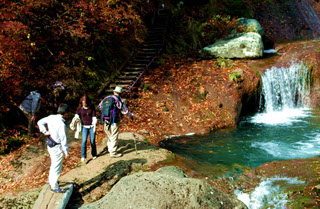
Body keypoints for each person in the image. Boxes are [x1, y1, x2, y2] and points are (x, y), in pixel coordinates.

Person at [37, 103, 69, 193]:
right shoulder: (61, 124)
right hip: (57, 146)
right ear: (65, 113)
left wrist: (45, 131)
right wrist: (66, 152)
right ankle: (54, 186)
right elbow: (63, 139)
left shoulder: (51, 117)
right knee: (56, 166)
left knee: (53, 164)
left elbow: (39, 122)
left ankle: (52, 182)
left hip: (50, 143)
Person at [99, 86, 133, 158]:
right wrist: (131, 115)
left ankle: (109, 148)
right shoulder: (119, 100)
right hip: (114, 119)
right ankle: (113, 152)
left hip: (106, 119)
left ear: (114, 92)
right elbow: (124, 111)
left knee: (108, 134)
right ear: (120, 93)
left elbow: (100, 107)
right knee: (114, 135)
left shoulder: (106, 98)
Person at [75, 95, 97, 162]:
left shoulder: (92, 108)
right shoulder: (80, 108)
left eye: (85, 102)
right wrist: (77, 119)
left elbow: (94, 117)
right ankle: (83, 156)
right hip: (84, 127)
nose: (84, 104)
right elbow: (76, 115)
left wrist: (95, 126)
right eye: (83, 102)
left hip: (91, 126)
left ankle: (94, 154)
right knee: (84, 141)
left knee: (92, 141)